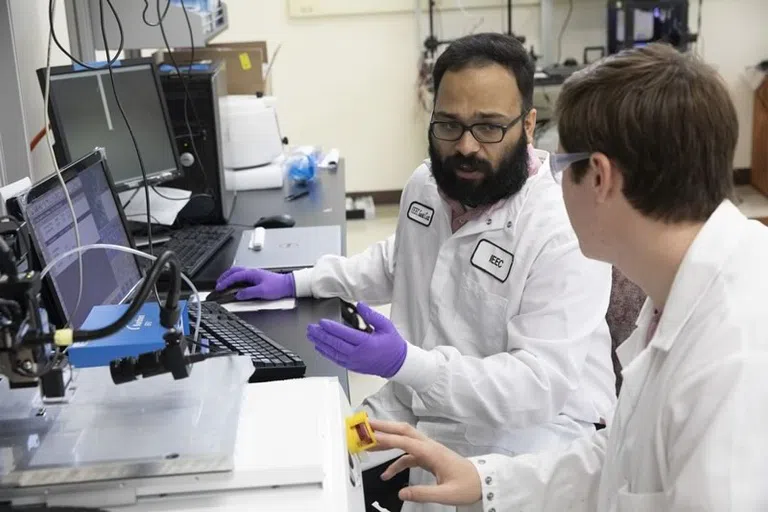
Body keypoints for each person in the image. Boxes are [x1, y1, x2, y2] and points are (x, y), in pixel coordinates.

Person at [216, 33, 616, 511]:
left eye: (489, 127)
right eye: (449, 124)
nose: (465, 146)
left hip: (531, 438)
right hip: (420, 405)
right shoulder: (427, 186)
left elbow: (536, 389)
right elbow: (400, 257)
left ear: (528, 124)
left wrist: (404, 362)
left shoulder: (561, 229)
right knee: (311, 457)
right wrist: (298, 281)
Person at [367, 43, 768, 511]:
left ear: (598, 177)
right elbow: (622, 456)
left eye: (559, 166)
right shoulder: (678, 294)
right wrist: (487, 480)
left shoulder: (735, 354)